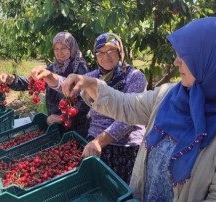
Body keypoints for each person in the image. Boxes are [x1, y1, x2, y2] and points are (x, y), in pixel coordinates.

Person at [61, 17, 216, 201]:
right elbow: (125, 105)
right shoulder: (169, 96)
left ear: (213, 60)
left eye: (185, 56)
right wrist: (88, 83)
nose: (176, 62)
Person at [31, 32, 147, 184]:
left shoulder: (135, 77)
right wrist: (49, 76)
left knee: (120, 189)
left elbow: (129, 117)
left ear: (120, 52)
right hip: (95, 144)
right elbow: (68, 83)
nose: (106, 56)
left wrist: (100, 141)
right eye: (100, 52)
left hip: (125, 147)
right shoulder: (94, 77)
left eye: (111, 51)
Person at [0, 31, 91, 136]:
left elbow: (86, 100)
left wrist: (63, 117)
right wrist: (12, 79)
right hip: (55, 124)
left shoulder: (81, 68)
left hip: (79, 127)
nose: (59, 53)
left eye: (63, 48)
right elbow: (33, 83)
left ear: (71, 48)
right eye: (56, 49)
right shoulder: (53, 68)